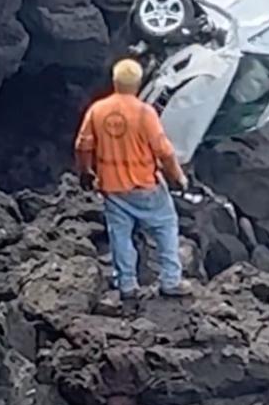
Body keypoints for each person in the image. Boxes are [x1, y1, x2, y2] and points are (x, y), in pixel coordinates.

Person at [74, 59, 192, 301]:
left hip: (112, 188)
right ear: (137, 84)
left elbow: (82, 145)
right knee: (165, 227)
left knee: (120, 234)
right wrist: (177, 177)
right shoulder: (143, 112)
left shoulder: (98, 110)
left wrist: (85, 172)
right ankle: (170, 280)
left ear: (115, 82)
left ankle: (127, 284)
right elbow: (164, 151)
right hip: (145, 186)